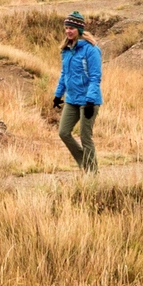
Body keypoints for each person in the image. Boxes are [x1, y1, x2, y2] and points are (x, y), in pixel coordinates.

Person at [53, 11, 102, 173]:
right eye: (66, 28)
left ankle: (92, 174)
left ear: (79, 30)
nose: (68, 31)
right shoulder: (66, 50)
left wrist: (90, 100)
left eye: (71, 28)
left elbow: (95, 77)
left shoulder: (91, 50)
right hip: (72, 99)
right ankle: (86, 163)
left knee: (85, 137)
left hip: (89, 101)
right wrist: (58, 95)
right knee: (64, 132)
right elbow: (64, 74)